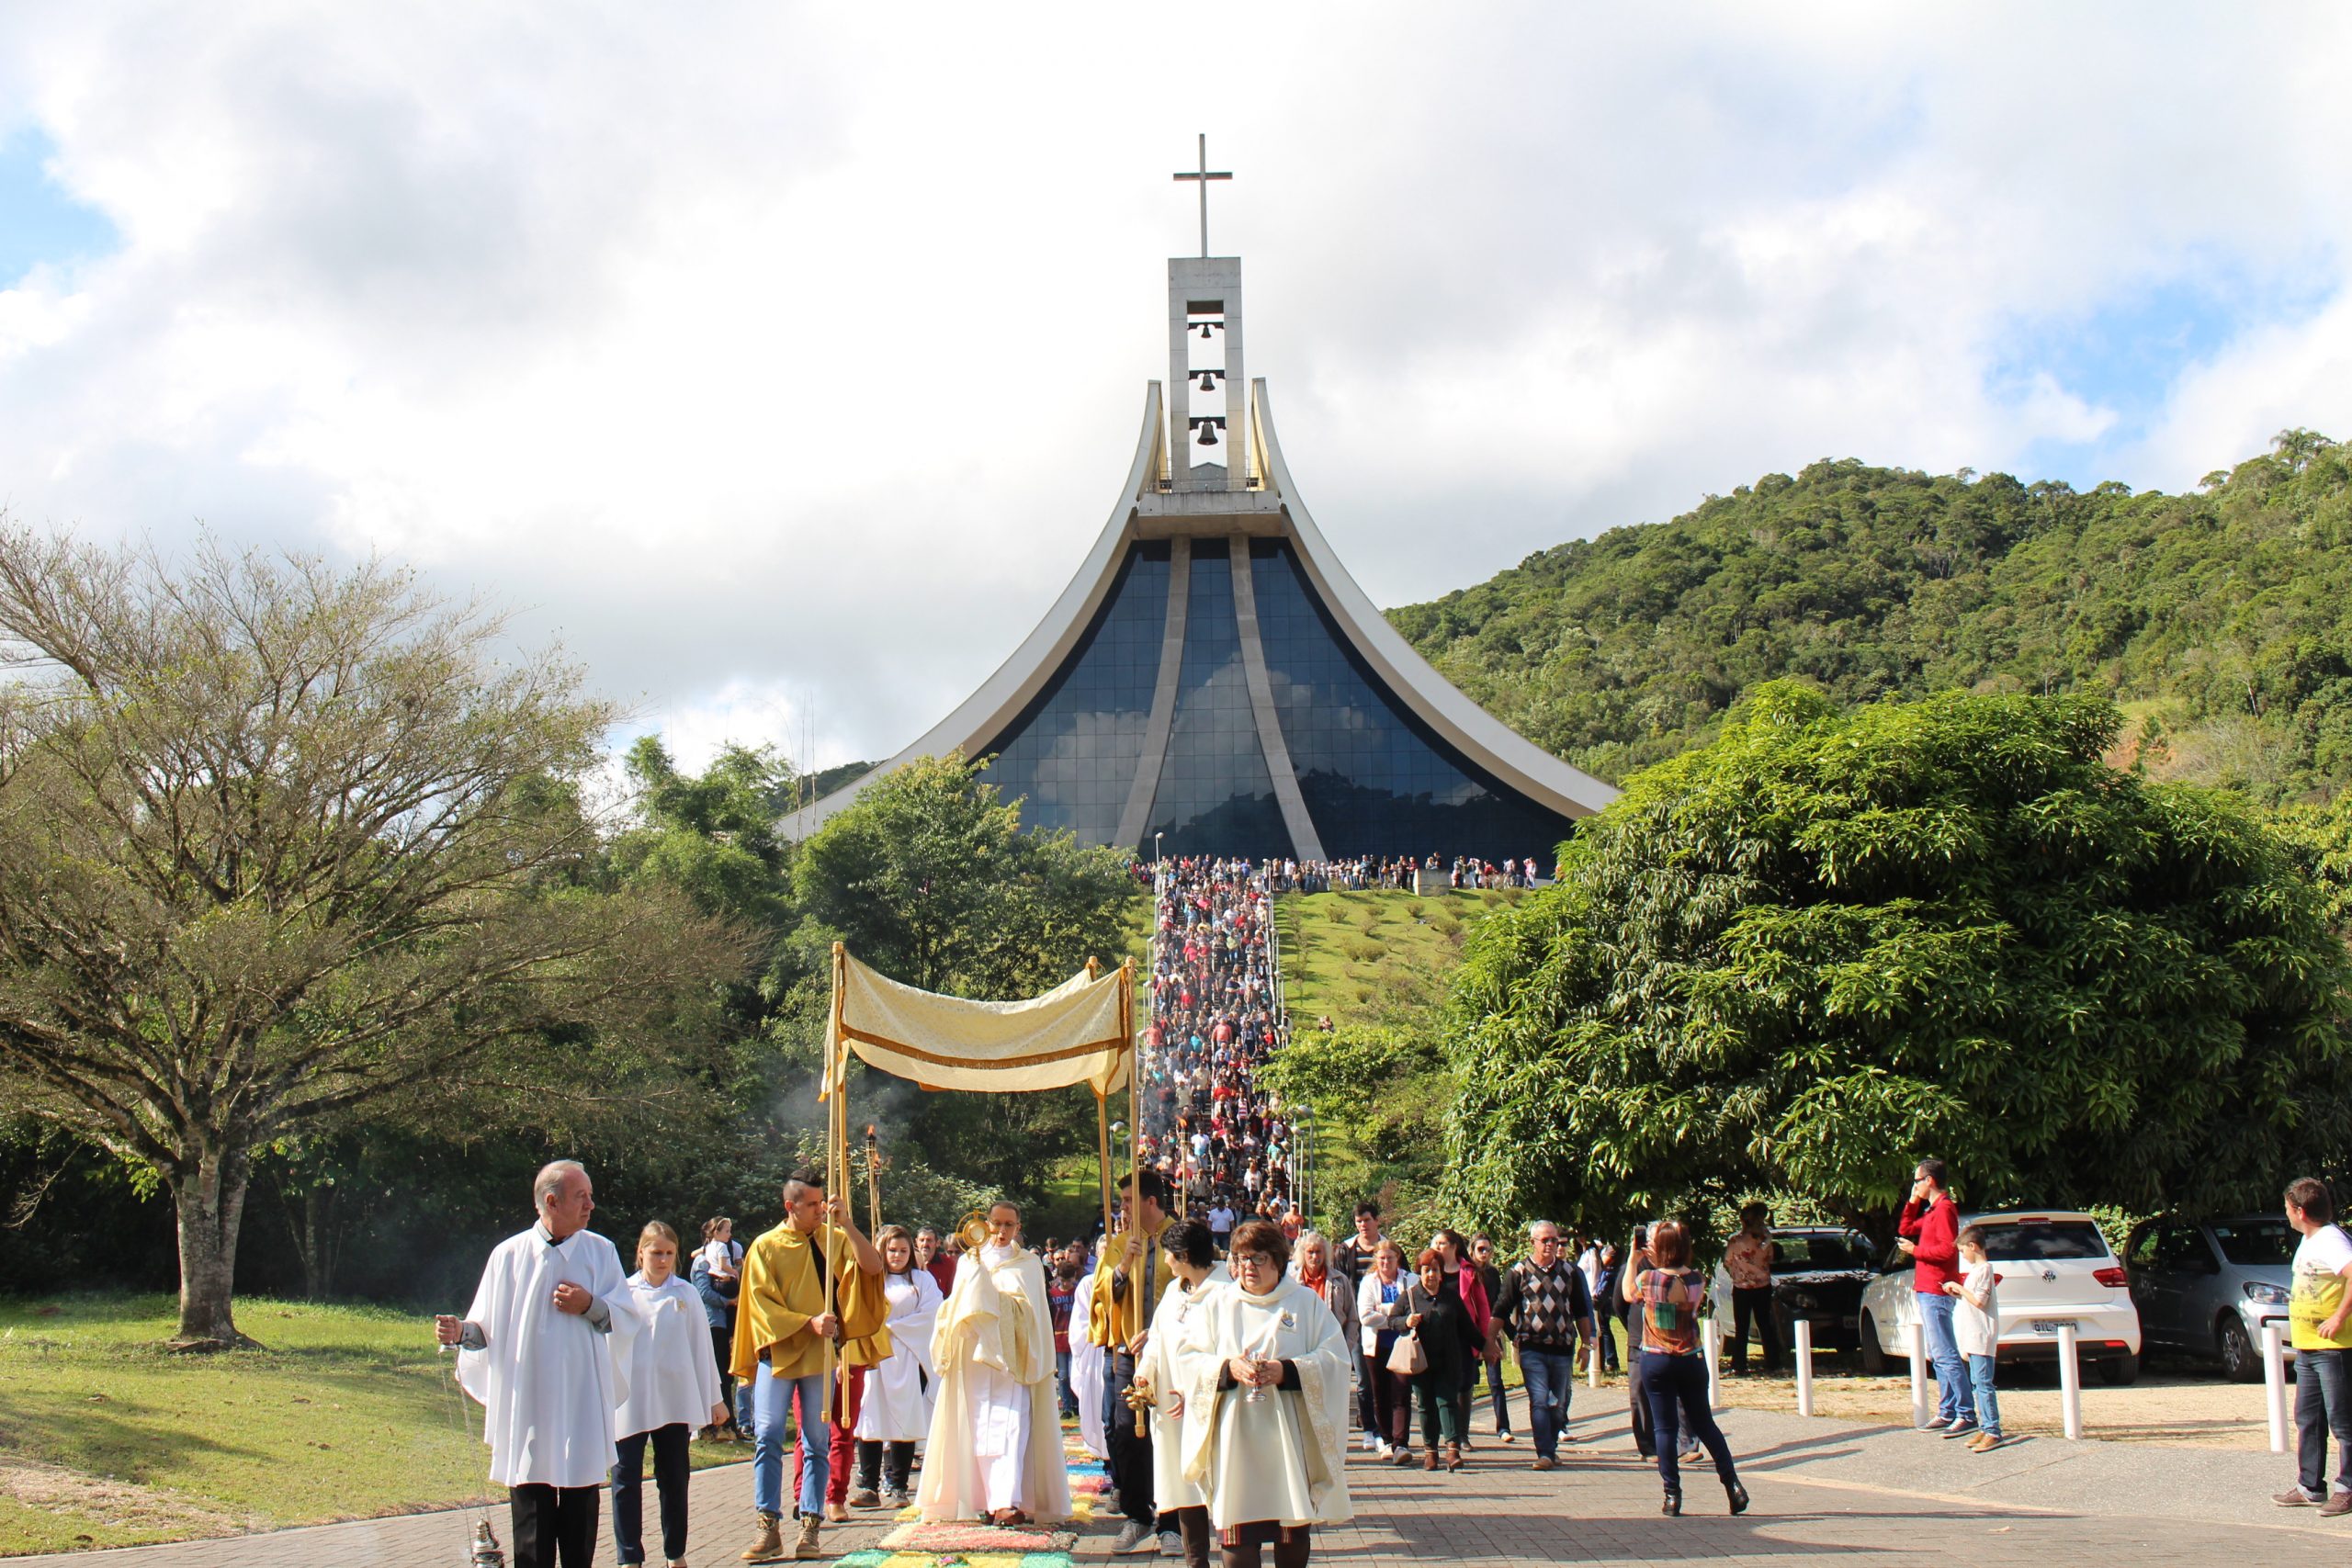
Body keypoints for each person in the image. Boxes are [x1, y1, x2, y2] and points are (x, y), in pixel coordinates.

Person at [436, 1160, 644, 1568]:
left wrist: (591, 1305)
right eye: (581, 1196)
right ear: (551, 1201)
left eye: (589, 1195)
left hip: (579, 1398)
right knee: (531, 1516)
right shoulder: (509, 1255)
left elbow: (626, 1317)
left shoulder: (599, 1251)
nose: (591, 1205)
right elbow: (486, 1328)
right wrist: (461, 1331)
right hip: (527, 1399)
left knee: (579, 1511)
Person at [730, 1167, 888, 1564]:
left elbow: (871, 1267)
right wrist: (808, 1322)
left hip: (819, 1357)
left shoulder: (832, 1239)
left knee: (817, 1439)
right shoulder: (765, 1246)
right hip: (778, 1355)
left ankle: (810, 1526)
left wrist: (848, 1224)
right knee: (767, 1436)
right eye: (813, 1205)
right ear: (791, 1206)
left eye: (822, 1203)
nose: (820, 1210)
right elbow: (761, 1305)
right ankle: (768, 1526)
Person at [1179, 1218, 1354, 1567]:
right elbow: (1189, 1358)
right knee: (1238, 1532)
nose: (1248, 1267)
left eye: (1258, 1259)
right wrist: (1228, 1368)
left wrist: (1288, 1371)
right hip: (1235, 1438)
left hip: (1287, 1435)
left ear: (1277, 1260)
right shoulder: (1217, 1304)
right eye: (1241, 1259)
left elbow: (1335, 1358)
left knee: (1290, 1529)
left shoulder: (1304, 1303)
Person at [921, 1201, 1072, 1526]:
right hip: (974, 1359)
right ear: (985, 1224)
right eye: (996, 1224)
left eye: (1008, 1225)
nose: (1001, 1231)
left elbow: (1030, 1314)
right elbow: (955, 1307)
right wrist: (975, 1296)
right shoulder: (968, 1262)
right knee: (975, 1427)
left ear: (1018, 1228)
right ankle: (978, 1499)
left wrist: (990, 1301)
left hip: (1011, 1359)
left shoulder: (1029, 1265)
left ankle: (1006, 1501)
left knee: (1012, 1427)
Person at [614, 1223, 727, 1568]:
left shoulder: (686, 1294)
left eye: (668, 1253)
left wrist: (714, 1398)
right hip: (631, 1399)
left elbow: (701, 1347)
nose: (662, 1260)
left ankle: (674, 1552)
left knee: (675, 1478)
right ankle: (629, 1556)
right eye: (655, 1252)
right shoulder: (622, 1292)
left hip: (675, 1397)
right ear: (641, 1252)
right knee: (624, 1477)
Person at [1623, 1220, 1747, 1517]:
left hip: (1657, 1358)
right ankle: (1733, 1486)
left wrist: (1633, 1258)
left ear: (1661, 1249)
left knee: (1664, 1428)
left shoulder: (1650, 1279)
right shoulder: (1696, 1279)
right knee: (1704, 1423)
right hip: (1691, 1358)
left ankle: (1672, 1494)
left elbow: (1629, 1293)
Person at [1092, 1169, 1178, 1554]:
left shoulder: (1181, 1236)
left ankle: (1173, 1522)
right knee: (1128, 1433)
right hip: (1129, 1350)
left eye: (1129, 1201)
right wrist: (1124, 1265)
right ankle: (1137, 1516)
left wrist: (1160, 1333)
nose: (1122, 1208)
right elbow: (1102, 1294)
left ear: (1151, 1202)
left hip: (1173, 1353)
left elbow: (1197, 1288)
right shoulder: (1118, 1243)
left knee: (1170, 1436)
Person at [1134, 1218, 1227, 1567]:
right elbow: (1156, 1339)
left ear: (1184, 1255)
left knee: (1219, 1482)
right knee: (1183, 1481)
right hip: (1172, 1407)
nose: (1166, 1262)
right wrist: (1145, 1374)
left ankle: (1234, 1554)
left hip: (1214, 1404)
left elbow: (1229, 1350)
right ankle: (1196, 1560)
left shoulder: (1226, 1293)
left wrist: (1200, 1391)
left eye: (1169, 1256)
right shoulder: (1175, 1291)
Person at [851, 1224, 944, 1510]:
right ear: (882, 1250)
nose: (897, 1255)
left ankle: (898, 1483)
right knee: (871, 1417)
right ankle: (868, 1484)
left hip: (907, 1356)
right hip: (875, 1358)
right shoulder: (871, 1278)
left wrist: (891, 1329)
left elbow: (932, 1314)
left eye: (904, 1250)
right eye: (892, 1250)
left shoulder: (922, 1280)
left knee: (905, 1418)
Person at [1490, 1221, 1596, 1472]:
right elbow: (1501, 1308)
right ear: (1532, 1242)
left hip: (1562, 1347)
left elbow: (1582, 1311)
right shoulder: (1519, 1271)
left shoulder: (1570, 1272)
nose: (1550, 1245)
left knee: (1558, 1404)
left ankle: (1550, 1447)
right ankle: (1545, 1452)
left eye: (1555, 1241)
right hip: (1532, 1347)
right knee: (1539, 1400)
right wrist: (1489, 1341)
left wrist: (1586, 1345)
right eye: (1545, 1240)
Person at [2278, 1177, 2352, 1513]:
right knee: (2308, 1418)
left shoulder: (2331, 1240)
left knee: (2343, 1420)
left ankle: (2348, 1486)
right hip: (2308, 1346)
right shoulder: (2311, 1240)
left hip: (2334, 1347)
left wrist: (2337, 1318)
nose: (2287, 1215)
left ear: (2301, 1210)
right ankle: (2310, 1486)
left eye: (2288, 1209)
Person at [1897, 1159, 1967, 1433]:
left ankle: (1964, 1411)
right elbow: (1906, 1229)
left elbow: (1948, 1251)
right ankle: (1947, 1410)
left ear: (1930, 1180)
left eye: (1917, 1181)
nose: (1914, 1186)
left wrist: (1915, 1252)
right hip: (1927, 1287)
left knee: (1945, 1353)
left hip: (1937, 1288)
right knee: (1937, 1354)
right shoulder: (1933, 1210)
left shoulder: (1945, 1209)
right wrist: (1912, 1202)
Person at [1398, 1249, 1477, 1472]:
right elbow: (1392, 1320)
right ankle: (1430, 1453)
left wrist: (1486, 1347)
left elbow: (1467, 1326)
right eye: (1426, 1270)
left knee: (1447, 1403)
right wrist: (1406, 1321)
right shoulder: (1410, 1296)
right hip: (1421, 1363)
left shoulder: (1450, 1297)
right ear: (1419, 1272)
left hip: (1448, 1361)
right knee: (1425, 1407)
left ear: (1441, 1273)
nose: (1431, 1275)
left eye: (1435, 1270)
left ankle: (1452, 1451)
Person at [1942, 1225, 2003, 1454]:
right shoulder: (1977, 1272)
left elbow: (1979, 1301)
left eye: (1962, 1251)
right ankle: (1985, 1425)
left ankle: (1993, 1431)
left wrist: (1959, 1287)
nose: (1962, 1255)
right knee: (1977, 1383)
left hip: (1982, 1334)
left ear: (1972, 1246)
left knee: (1984, 1384)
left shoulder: (1985, 1269)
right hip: (1972, 1333)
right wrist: (1959, 1293)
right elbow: (1972, 1300)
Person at [1429, 1231, 1490, 1448]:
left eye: (1442, 1243)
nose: (1437, 1247)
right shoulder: (1430, 1270)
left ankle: (1462, 1434)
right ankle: (1447, 1434)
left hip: (1464, 1337)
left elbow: (1482, 1307)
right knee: (1442, 1386)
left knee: (1464, 1384)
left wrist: (1484, 1339)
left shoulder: (1469, 1271)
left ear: (1454, 1246)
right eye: (1434, 1243)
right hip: (1437, 1337)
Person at [1355, 1240, 1413, 1461]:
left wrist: (1384, 1312)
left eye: (1390, 1257)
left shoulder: (1409, 1280)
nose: (1386, 1262)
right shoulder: (1368, 1283)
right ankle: (1386, 1440)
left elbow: (1412, 1310)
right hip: (1376, 1348)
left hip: (1402, 1345)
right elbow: (1366, 1317)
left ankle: (1401, 1443)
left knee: (1401, 1393)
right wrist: (1397, 1318)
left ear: (1397, 1258)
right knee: (1379, 1394)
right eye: (1381, 1258)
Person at [692, 1232, 748, 1441]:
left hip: (725, 1324)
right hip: (711, 1323)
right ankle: (711, 1427)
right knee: (714, 1374)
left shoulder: (725, 1262)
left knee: (726, 1375)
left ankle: (727, 1424)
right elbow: (704, 1294)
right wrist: (729, 1302)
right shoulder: (702, 1262)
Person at [1723, 1204, 1781, 1376]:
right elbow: (1770, 1257)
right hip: (1762, 1286)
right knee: (1765, 1324)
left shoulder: (1735, 1241)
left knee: (1742, 1326)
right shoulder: (1764, 1240)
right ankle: (1772, 1361)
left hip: (1741, 1287)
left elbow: (1728, 1261)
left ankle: (1739, 1364)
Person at [1468, 1235, 1511, 1443]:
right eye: (1480, 1249)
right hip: (1470, 1333)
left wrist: (1510, 1333)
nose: (1484, 1253)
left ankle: (1503, 1427)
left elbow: (1500, 1304)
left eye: (1487, 1249)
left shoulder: (1493, 1274)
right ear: (1472, 1251)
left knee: (1496, 1381)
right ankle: (1461, 1430)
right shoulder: (1466, 1272)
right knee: (1467, 1382)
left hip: (1491, 1331)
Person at [1071, 1259, 1112, 1461]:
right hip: (1095, 1350)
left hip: (1118, 1348)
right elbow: (1079, 1323)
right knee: (1098, 1405)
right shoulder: (1088, 1283)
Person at [1049, 1242, 1084, 1420]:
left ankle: (1078, 1404)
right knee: (1063, 1375)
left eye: (1069, 1281)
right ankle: (1067, 1406)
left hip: (1076, 1338)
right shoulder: (1053, 1294)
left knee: (1075, 1372)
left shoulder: (1078, 1292)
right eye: (1063, 1281)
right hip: (1059, 1339)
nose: (1066, 1284)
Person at [915, 1227, 957, 1297]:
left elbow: (952, 1295)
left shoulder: (948, 1264)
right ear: (916, 1242)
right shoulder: (908, 1263)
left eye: (929, 1240)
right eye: (922, 1240)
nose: (925, 1244)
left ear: (937, 1243)